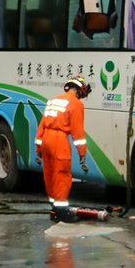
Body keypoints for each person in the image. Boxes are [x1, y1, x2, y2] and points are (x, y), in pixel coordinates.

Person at [35, 76, 91, 223]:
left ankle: (53, 208)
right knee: (62, 175)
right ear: (79, 91)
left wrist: (38, 149)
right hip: (59, 141)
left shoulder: (53, 100)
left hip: (46, 138)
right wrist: (82, 153)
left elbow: (42, 125)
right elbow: (77, 132)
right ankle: (61, 212)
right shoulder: (76, 104)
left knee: (50, 174)